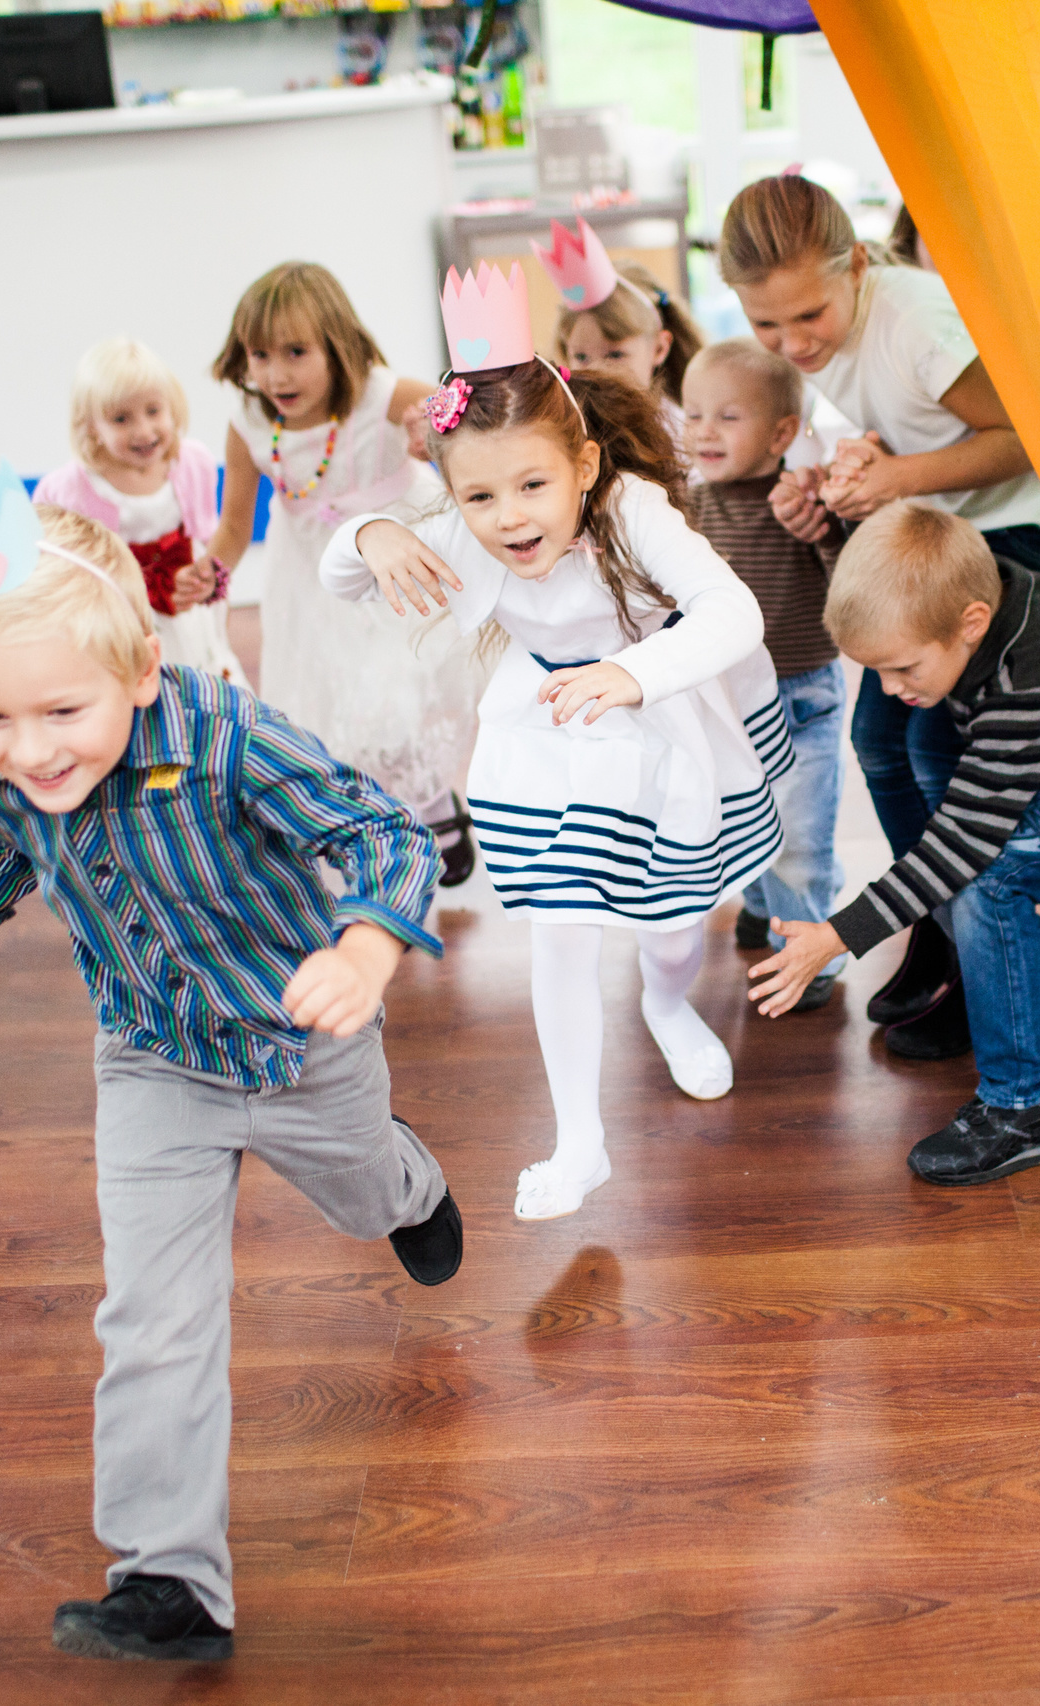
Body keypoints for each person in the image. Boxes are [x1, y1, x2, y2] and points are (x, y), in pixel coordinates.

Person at [0, 477, 460, 1664]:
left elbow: (379, 829)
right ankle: (166, 1575)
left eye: (59, 710)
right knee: (152, 1314)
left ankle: (409, 1182)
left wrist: (365, 947)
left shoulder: (223, 732)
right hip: (151, 1056)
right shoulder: (10, 771)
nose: (28, 748)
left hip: (305, 1041)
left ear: (140, 668)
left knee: (361, 1196)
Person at [322, 262, 790, 1222]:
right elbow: (341, 575)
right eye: (481, 499)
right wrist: (372, 532)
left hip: (658, 725)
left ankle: (666, 1002)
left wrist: (634, 675)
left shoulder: (631, 510)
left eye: (534, 485)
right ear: (454, 491)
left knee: (669, 923)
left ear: (582, 466)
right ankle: (581, 1138)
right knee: (562, 928)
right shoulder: (463, 526)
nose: (510, 519)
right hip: (552, 739)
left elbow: (732, 612)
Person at [719, 172, 1040, 1063]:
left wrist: (894, 481)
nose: (792, 343)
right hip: (960, 532)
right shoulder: (834, 332)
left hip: (1026, 537)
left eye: (809, 317)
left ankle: (973, 947)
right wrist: (841, 484)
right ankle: (941, 921)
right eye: (766, 325)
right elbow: (918, 437)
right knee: (880, 741)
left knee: (927, 749)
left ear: (854, 268)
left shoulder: (914, 318)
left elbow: (1030, 436)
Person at [750, 502, 1040, 1186]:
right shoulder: (967, 600)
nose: (890, 690)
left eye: (902, 670)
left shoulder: (1033, 676)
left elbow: (963, 844)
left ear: (971, 626)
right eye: (874, 672)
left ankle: (1027, 1106)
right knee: (955, 887)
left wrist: (839, 935)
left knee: (980, 883)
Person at [207, 261, 487, 885]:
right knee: (340, 706)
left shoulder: (381, 393)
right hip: (312, 577)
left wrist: (435, 433)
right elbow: (232, 529)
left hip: (399, 565)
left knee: (398, 693)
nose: (276, 373)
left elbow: (468, 424)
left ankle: (434, 801)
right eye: (259, 354)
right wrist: (206, 578)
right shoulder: (249, 423)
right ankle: (380, 823)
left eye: (296, 352)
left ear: (336, 345)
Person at [682, 338, 849, 1011]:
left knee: (801, 836)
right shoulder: (686, 510)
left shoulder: (802, 503)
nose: (702, 431)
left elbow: (849, 591)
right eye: (693, 415)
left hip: (803, 692)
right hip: (723, 702)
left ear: (783, 432)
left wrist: (821, 533)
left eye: (727, 416)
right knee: (741, 816)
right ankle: (763, 904)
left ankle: (807, 954)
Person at [33, 338, 246, 684]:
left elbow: (208, 539)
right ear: (91, 426)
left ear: (172, 406)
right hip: (122, 620)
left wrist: (208, 581)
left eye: (153, 411)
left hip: (186, 611)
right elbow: (66, 577)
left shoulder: (192, 463)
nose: (143, 431)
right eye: (121, 419)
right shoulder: (69, 491)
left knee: (201, 682)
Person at [533, 217, 705, 450]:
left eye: (615, 355)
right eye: (581, 357)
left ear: (659, 348)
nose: (596, 371)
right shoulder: (564, 427)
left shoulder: (684, 432)